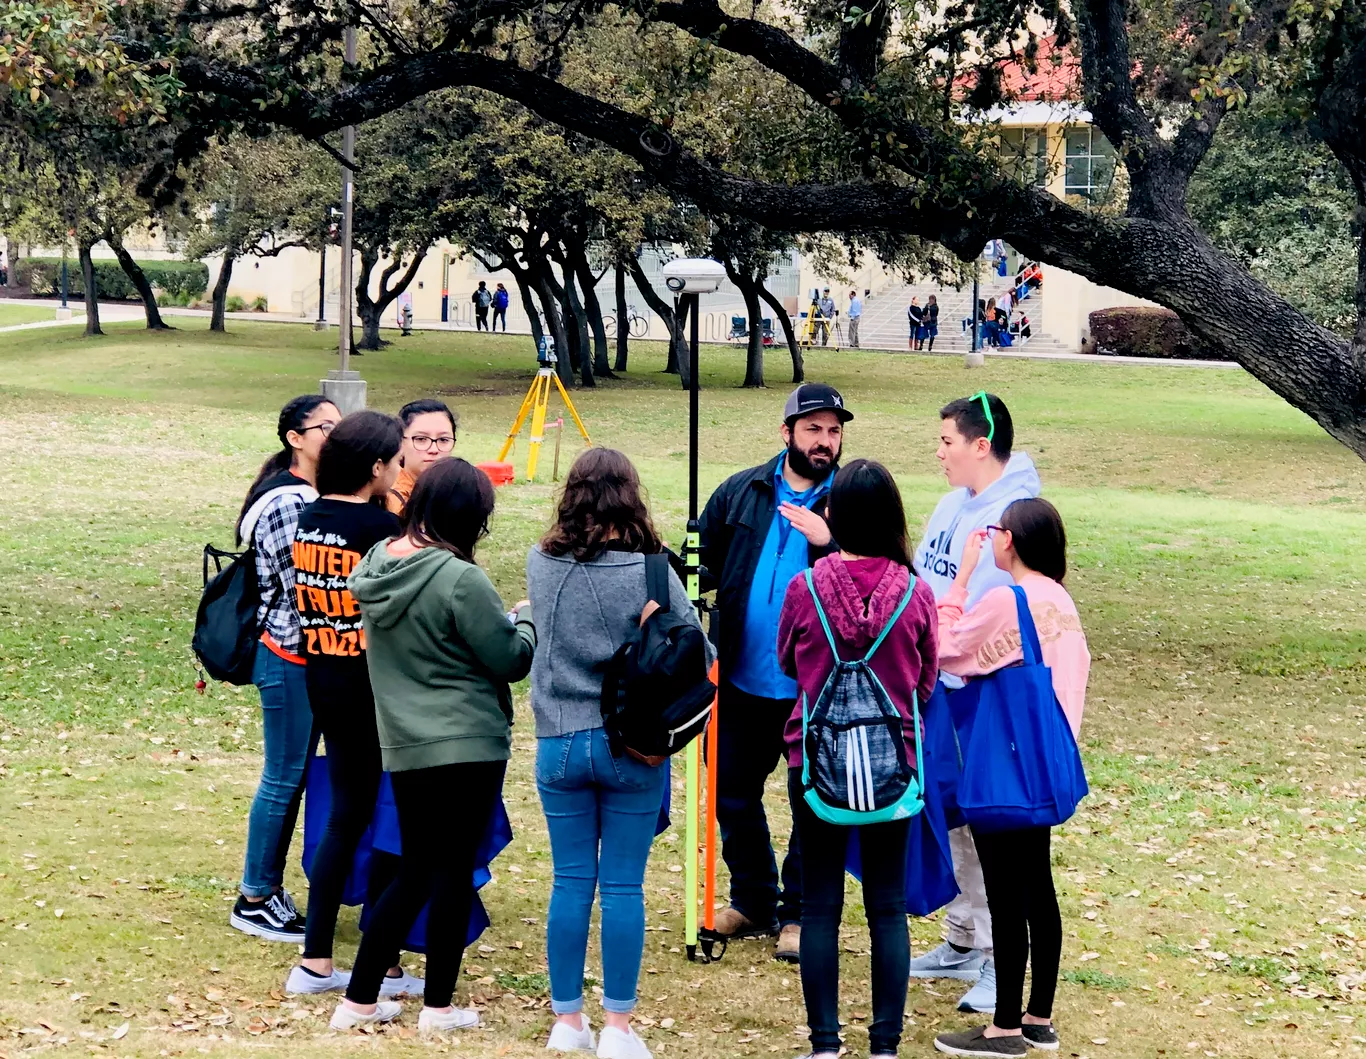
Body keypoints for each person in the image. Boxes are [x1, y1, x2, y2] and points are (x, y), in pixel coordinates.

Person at [332, 459, 536, 1033]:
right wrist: (525, 623)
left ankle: (360, 999)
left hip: (404, 740)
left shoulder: (377, 562)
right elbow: (509, 659)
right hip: (466, 740)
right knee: (445, 872)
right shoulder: (458, 578)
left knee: (416, 868)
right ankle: (438, 1007)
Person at [527, 448, 711, 1059]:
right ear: (631, 494)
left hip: (559, 738)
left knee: (570, 881)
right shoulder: (652, 572)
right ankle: (618, 1028)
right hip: (634, 745)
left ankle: (566, 1020)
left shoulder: (540, 562)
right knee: (624, 887)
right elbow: (697, 652)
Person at [777, 459, 939, 1059]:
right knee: (887, 909)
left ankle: (824, 1044)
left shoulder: (806, 587)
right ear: (895, 517)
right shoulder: (916, 591)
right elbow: (925, 681)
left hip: (814, 761)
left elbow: (787, 662)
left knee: (818, 908)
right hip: (892, 765)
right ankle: (885, 1045)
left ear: (833, 515)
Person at [698, 382, 851, 963]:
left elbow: (879, 572)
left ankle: (801, 912)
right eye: (813, 429)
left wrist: (829, 541)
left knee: (808, 800)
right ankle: (755, 899)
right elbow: (702, 561)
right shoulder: (743, 491)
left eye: (833, 431)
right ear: (786, 433)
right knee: (731, 792)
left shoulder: (852, 499)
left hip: (814, 687)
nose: (825, 441)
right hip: (737, 677)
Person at [932, 499, 1089, 1058]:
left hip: (1006, 763)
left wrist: (961, 581)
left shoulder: (1008, 598)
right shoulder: (1060, 599)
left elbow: (947, 651)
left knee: (1005, 896)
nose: (992, 537)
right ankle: (1038, 1016)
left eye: (998, 530)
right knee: (1038, 888)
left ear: (1013, 541)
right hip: (1050, 757)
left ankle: (1003, 1028)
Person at [910, 392, 1041, 1014]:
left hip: (985, 696)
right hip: (941, 688)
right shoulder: (951, 504)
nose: (939, 452)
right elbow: (924, 582)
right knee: (954, 819)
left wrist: (945, 647)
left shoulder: (1014, 517)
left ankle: (997, 957)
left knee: (989, 826)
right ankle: (963, 939)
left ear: (980, 444)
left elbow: (991, 622)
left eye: (947, 442)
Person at [284, 410, 423, 998]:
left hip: (325, 680)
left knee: (346, 816)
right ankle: (383, 961)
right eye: (396, 461)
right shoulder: (377, 531)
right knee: (389, 818)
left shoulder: (310, 518)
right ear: (375, 466)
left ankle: (316, 956)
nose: (401, 470)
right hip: (375, 689)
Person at [230, 394, 340, 943]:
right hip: (289, 657)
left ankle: (266, 888)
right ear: (295, 438)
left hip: (308, 660)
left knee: (292, 775)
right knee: (283, 776)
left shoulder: (315, 494)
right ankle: (254, 895)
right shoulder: (286, 503)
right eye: (325, 427)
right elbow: (307, 592)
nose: (335, 434)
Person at [387, 399, 458, 516]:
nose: (434, 449)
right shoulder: (389, 497)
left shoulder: (461, 490)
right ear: (400, 442)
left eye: (443, 440)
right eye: (421, 439)